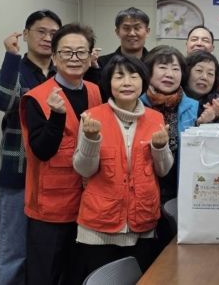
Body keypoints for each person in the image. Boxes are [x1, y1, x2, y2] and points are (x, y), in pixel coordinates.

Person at [72, 55, 172, 280]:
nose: (127, 82)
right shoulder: (92, 117)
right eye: (119, 77)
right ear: (108, 83)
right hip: (99, 228)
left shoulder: (156, 118)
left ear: (143, 82)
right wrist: (90, 139)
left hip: (142, 224)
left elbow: (163, 170)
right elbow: (84, 170)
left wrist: (160, 147)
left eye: (133, 77)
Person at [19, 23, 102, 284]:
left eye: (81, 52)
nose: (74, 58)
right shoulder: (37, 97)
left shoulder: (94, 91)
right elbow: (41, 151)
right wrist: (56, 116)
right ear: (54, 57)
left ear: (90, 56)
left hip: (86, 204)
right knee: (44, 277)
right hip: (50, 208)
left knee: (77, 274)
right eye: (67, 52)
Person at [0, 9, 61, 285]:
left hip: (55, 177)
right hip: (19, 174)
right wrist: (11, 56)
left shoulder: (61, 73)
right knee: (12, 250)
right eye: (41, 31)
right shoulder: (14, 70)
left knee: (46, 250)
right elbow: (3, 101)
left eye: (54, 34)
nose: (47, 38)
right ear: (26, 33)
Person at [140, 45, 198, 254]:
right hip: (144, 191)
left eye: (175, 69)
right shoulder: (136, 105)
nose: (169, 74)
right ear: (148, 72)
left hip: (179, 191)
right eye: (163, 67)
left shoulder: (194, 106)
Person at [85, 7, 151, 97]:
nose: (132, 33)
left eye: (137, 28)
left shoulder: (155, 63)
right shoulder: (101, 64)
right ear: (117, 32)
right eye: (126, 28)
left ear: (147, 31)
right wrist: (92, 69)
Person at [184, 50, 219, 124]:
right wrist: (198, 124)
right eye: (199, 70)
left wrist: (217, 118)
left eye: (210, 74)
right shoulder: (173, 101)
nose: (204, 77)